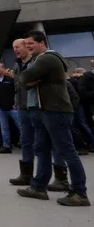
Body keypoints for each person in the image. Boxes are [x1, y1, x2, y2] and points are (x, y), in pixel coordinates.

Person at [16, 30, 89, 206]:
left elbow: (24, 77)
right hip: (45, 110)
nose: (28, 46)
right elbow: (23, 81)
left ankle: (80, 193)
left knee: (66, 151)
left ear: (42, 43)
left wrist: (29, 80)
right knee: (41, 148)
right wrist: (28, 81)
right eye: (26, 44)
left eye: (31, 43)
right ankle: (38, 187)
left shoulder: (48, 58)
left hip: (56, 110)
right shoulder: (39, 60)